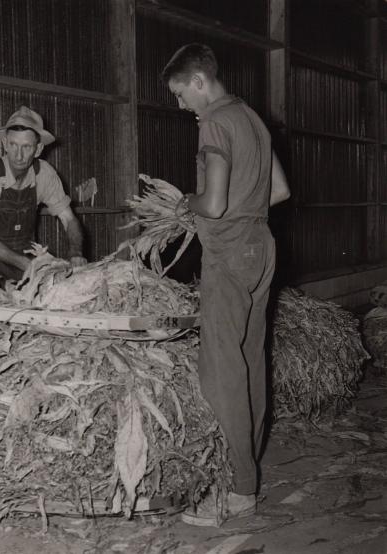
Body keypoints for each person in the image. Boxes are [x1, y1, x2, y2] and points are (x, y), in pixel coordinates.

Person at [161, 44, 290, 526]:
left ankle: (238, 488)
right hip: (261, 247)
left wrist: (183, 205)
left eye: (179, 94)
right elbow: (278, 191)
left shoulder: (214, 121)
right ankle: (247, 473)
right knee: (250, 360)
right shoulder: (253, 119)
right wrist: (244, 212)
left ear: (198, 81)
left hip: (230, 254)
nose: (180, 105)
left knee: (220, 370)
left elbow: (212, 204)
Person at [0, 106, 87, 302]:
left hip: (26, 256)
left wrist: (76, 252)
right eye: (13, 145)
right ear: (4, 143)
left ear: (38, 149)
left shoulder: (44, 174)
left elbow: (69, 219)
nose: (18, 155)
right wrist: (31, 265)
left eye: (26, 147)